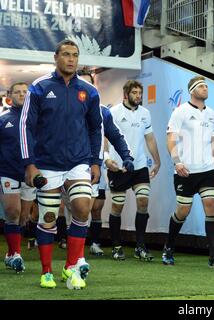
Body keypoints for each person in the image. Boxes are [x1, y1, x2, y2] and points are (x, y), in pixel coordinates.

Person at [20, 39, 103, 290]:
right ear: (55, 57)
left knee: (82, 208)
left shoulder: (89, 91)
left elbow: (95, 128)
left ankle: (71, 267)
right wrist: (29, 164)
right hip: (47, 163)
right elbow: (26, 127)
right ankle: (47, 272)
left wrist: (96, 161)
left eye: (75, 55)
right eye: (66, 54)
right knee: (48, 217)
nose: (71, 59)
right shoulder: (39, 87)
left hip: (78, 162)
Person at [162, 75, 214, 269]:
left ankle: (213, 257)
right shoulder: (180, 112)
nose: (206, 89)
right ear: (192, 91)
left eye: (207, 86)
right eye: (202, 86)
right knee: (183, 211)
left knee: (210, 205)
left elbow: (213, 140)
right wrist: (177, 162)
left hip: (207, 170)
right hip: (185, 171)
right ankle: (168, 247)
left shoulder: (213, 114)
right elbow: (171, 140)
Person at [76, 69, 134, 257]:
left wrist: (126, 155)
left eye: (89, 84)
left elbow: (115, 135)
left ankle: (89, 246)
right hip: (68, 167)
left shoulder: (103, 112)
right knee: (67, 210)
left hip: (94, 167)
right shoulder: (67, 108)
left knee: (91, 208)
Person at [107, 80, 160, 261]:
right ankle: (116, 246)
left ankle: (140, 246)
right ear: (126, 94)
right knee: (117, 206)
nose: (138, 96)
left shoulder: (145, 113)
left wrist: (157, 161)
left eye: (140, 93)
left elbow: (150, 139)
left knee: (143, 202)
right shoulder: (113, 112)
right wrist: (107, 159)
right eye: (135, 93)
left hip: (139, 166)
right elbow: (104, 140)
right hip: (119, 167)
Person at [0, 82, 37, 273]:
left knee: (23, 217)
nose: (22, 95)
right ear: (10, 95)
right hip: (7, 172)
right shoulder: (3, 119)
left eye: (25, 92)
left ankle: (10, 254)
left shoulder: (36, 120)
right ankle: (15, 254)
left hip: (29, 174)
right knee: (12, 212)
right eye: (18, 92)